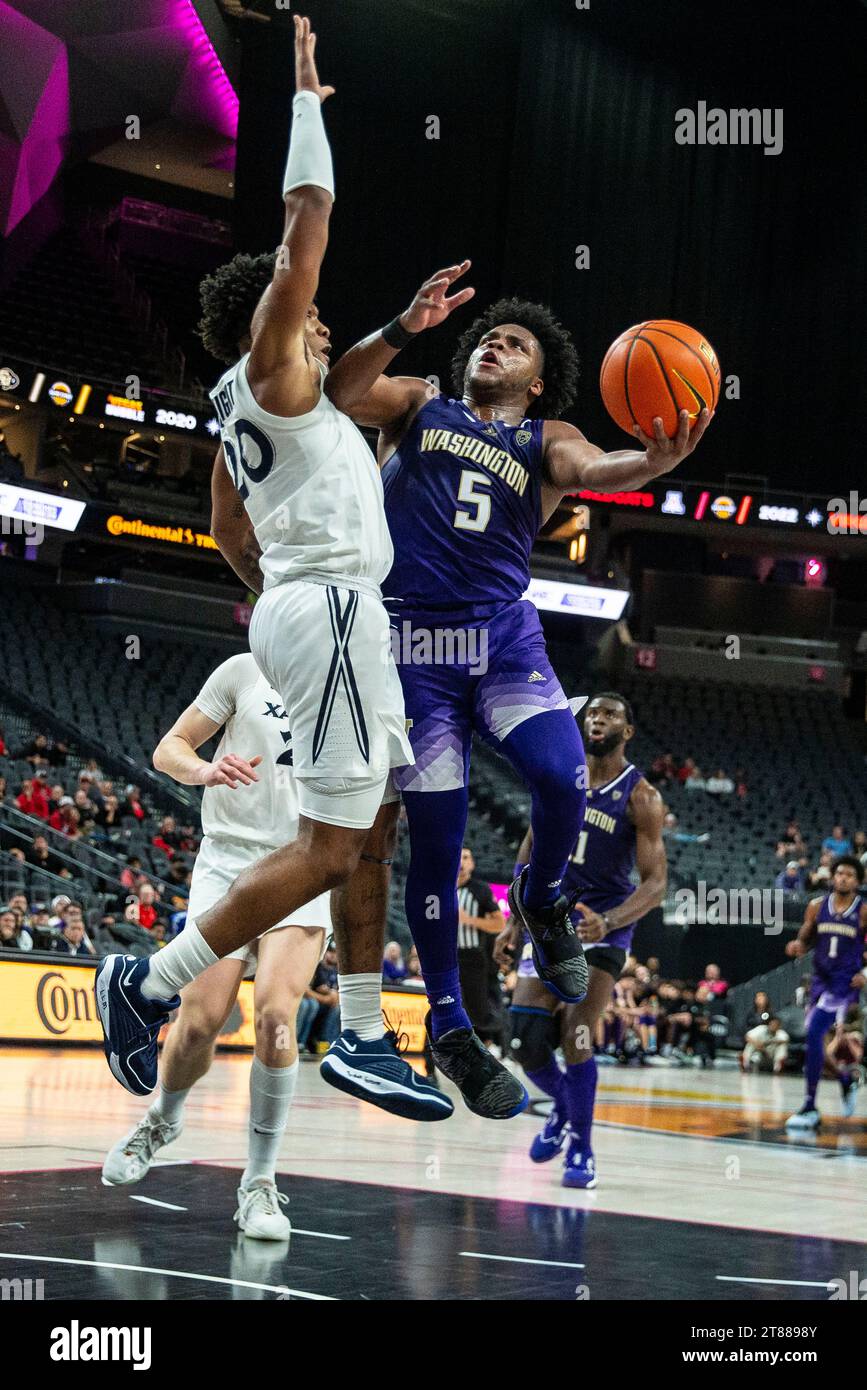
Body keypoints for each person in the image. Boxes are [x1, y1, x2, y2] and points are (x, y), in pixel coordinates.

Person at [94, 18, 449, 1127]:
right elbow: (307, 225)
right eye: (307, 320)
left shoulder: (260, 420)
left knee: (363, 824)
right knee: (333, 841)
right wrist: (304, 105)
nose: (316, 325)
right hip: (330, 608)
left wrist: (278, 590)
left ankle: (353, 1022)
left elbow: (225, 533)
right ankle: (154, 984)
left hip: (319, 608)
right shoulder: (270, 363)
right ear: (270, 322)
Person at [324, 256, 708, 1122]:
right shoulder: (420, 400)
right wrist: (400, 326)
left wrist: (647, 462)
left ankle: (542, 899)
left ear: (537, 383)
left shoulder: (544, 438)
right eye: (490, 336)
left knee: (560, 773)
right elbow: (341, 394)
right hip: (410, 646)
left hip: (500, 639)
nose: (497, 344)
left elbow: (596, 468)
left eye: (516, 343)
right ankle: (450, 1029)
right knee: (435, 838)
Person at [104, 651, 390, 1237]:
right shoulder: (242, 670)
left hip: (303, 866)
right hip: (228, 859)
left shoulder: (358, 680)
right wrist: (206, 770)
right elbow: (169, 750)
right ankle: (163, 1117)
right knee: (201, 1020)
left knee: (277, 1015)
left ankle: (259, 1182)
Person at [495, 693, 667, 1188]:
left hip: (601, 927)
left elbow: (655, 884)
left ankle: (583, 1152)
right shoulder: (559, 776)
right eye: (592, 712)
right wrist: (513, 920)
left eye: (611, 713)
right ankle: (566, 1112)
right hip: (549, 919)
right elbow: (530, 847)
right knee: (524, 1041)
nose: (598, 719)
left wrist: (610, 921)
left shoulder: (641, 796)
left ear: (627, 731)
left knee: (577, 1033)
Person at [785, 857, 867, 1129]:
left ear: (858, 881)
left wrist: (864, 974)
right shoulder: (816, 907)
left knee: (814, 1034)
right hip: (820, 981)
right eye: (840, 873)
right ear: (832, 877)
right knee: (814, 1045)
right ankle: (845, 1080)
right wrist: (798, 946)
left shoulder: (863, 911)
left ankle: (810, 1106)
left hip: (843, 985)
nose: (843, 878)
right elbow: (806, 938)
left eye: (849, 875)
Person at [456, 846, 506, 1047]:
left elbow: (500, 923)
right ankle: (433, 1060)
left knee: (479, 1013)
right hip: (446, 957)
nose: (461, 862)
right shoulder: (441, 887)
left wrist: (469, 920)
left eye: (466, 857)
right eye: (458, 857)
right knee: (441, 1006)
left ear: (472, 864)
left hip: (472, 957)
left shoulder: (480, 889)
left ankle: (492, 1042)